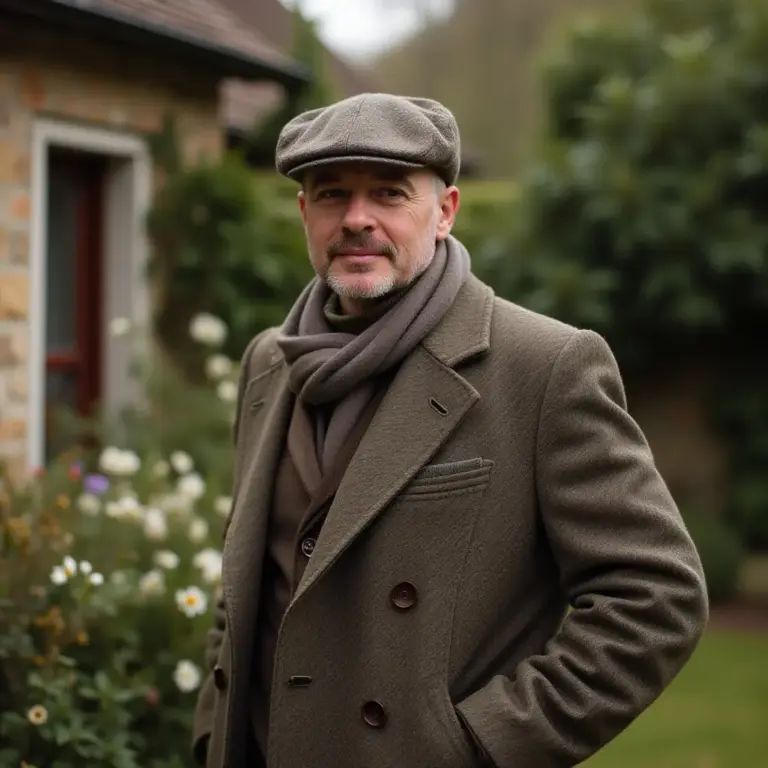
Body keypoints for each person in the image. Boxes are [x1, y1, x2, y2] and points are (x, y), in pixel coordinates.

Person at [193, 93, 708, 768]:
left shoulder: (542, 366)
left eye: (388, 192)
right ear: (303, 214)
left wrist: (484, 743)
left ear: (445, 211)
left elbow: (657, 596)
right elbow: (249, 581)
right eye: (331, 195)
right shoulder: (269, 363)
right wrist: (211, 729)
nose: (357, 219)